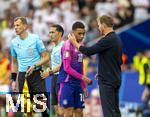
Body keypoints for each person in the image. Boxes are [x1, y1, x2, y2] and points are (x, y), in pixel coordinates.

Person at [68, 15, 123, 117]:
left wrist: (74, 43)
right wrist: (102, 70)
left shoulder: (107, 39)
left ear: (103, 25)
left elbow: (89, 51)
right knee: (115, 110)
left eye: (98, 25)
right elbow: (118, 61)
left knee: (109, 112)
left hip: (107, 81)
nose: (98, 28)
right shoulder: (117, 38)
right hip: (115, 78)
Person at [10, 17, 49, 116]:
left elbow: (46, 57)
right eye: (14, 26)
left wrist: (34, 66)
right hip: (23, 76)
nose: (15, 28)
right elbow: (14, 62)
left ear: (25, 26)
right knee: (27, 109)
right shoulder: (14, 43)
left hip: (36, 74)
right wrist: (13, 80)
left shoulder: (35, 39)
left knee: (40, 105)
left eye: (18, 25)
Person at [58, 21, 92, 117]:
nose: (82, 36)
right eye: (79, 33)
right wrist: (84, 78)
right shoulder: (67, 45)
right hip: (67, 83)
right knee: (68, 112)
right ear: (73, 33)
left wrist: (84, 86)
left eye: (83, 34)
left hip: (78, 84)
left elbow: (80, 67)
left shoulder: (81, 46)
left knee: (79, 112)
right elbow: (67, 68)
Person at [40, 24, 64, 117]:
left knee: (62, 109)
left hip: (61, 78)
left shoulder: (64, 45)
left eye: (53, 32)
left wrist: (49, 72)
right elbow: (55, 64)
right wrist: (48, 69)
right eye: (49, 32)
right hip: (54, 78)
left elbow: (63, 65)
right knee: (56, 109)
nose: (50, 34)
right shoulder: (54, 48)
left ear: (60, 33)